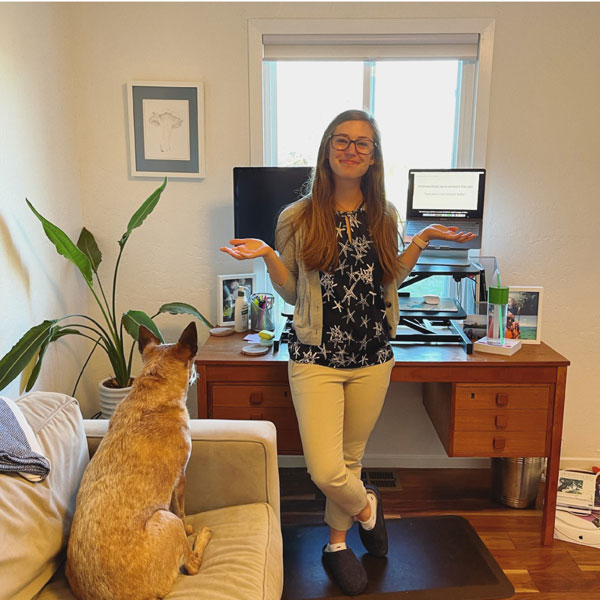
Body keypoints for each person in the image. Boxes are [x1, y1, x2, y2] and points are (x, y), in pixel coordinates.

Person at [221, 109, 476, 596]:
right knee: (324, 468)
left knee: (351, 459)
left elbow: (390, 278)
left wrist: (420, 241)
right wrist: (270, 256)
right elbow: (294, 296)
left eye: (363, 143)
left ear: (374, 156)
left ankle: (336, 546)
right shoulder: (295, 217)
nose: (352, 149)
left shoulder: (385, 215)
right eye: (342, 141)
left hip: (373, 355)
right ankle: (368, 509)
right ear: (327, 149)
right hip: (315, 357)